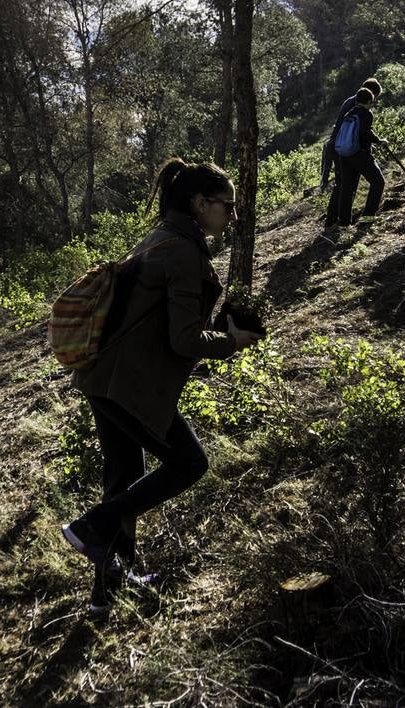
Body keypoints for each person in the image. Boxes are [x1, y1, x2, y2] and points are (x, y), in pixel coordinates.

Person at [64, 158, 262, 615]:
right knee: (190, 463)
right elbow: (183, 339)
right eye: (226, 206)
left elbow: (159, 321)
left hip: (104, 378)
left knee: (123, 477)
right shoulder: (182, 252)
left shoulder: (161, 238)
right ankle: (92, 527)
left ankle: (106, 591)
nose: (232, 215)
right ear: (199, 203)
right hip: (131, 385)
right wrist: (230, 341)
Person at [321, 77, 383, 224]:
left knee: (344, 185)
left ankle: (339, 221)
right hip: (353, 150)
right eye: (375, 97)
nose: (374, 101)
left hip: (340, 148)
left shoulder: (350, 103)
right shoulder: (362, 109)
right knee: (351, 184)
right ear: (371, 95)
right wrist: (377, 141)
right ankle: (359, 218)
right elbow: (363, 132)